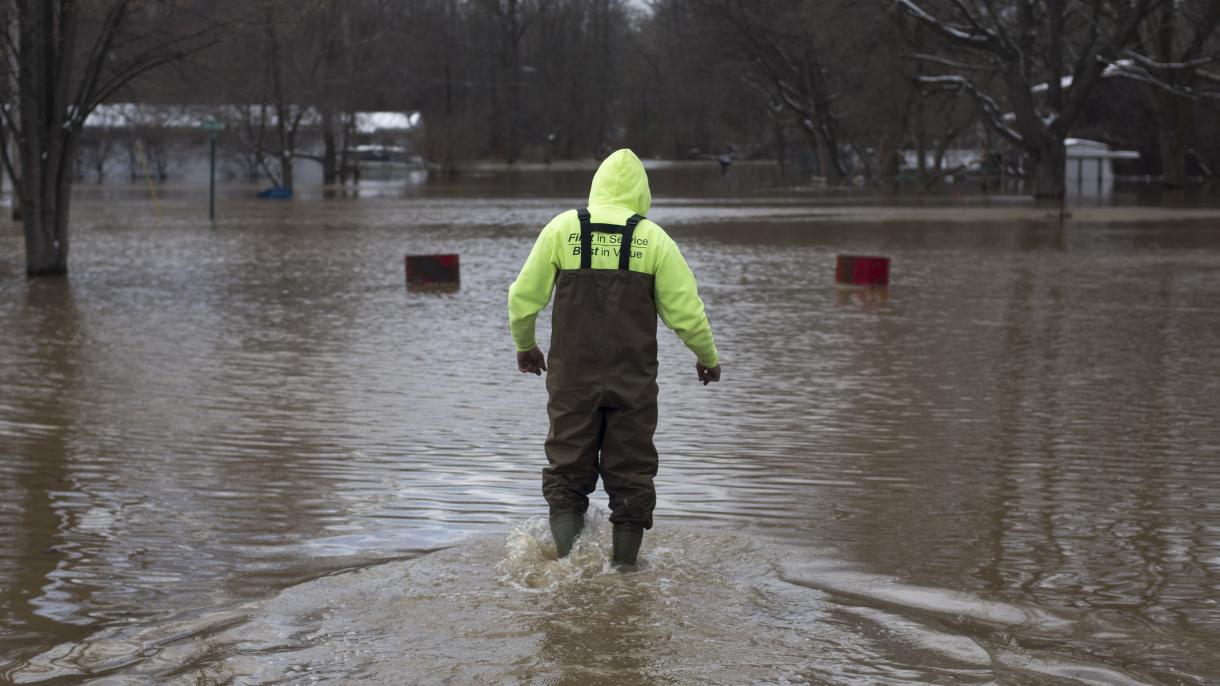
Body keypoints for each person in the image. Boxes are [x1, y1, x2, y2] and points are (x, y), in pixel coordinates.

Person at [507, 148, 721, 566]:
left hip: (571, 380)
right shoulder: (654, 239)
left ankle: (568, 570)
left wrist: (525, 345)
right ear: (643, 193)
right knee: (632, 476)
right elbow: (687, 313)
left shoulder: (562, 229)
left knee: (567, 474)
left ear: (596, 186)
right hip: (633, 383)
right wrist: (707, 357)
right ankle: (623, 574)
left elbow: (521, 298)